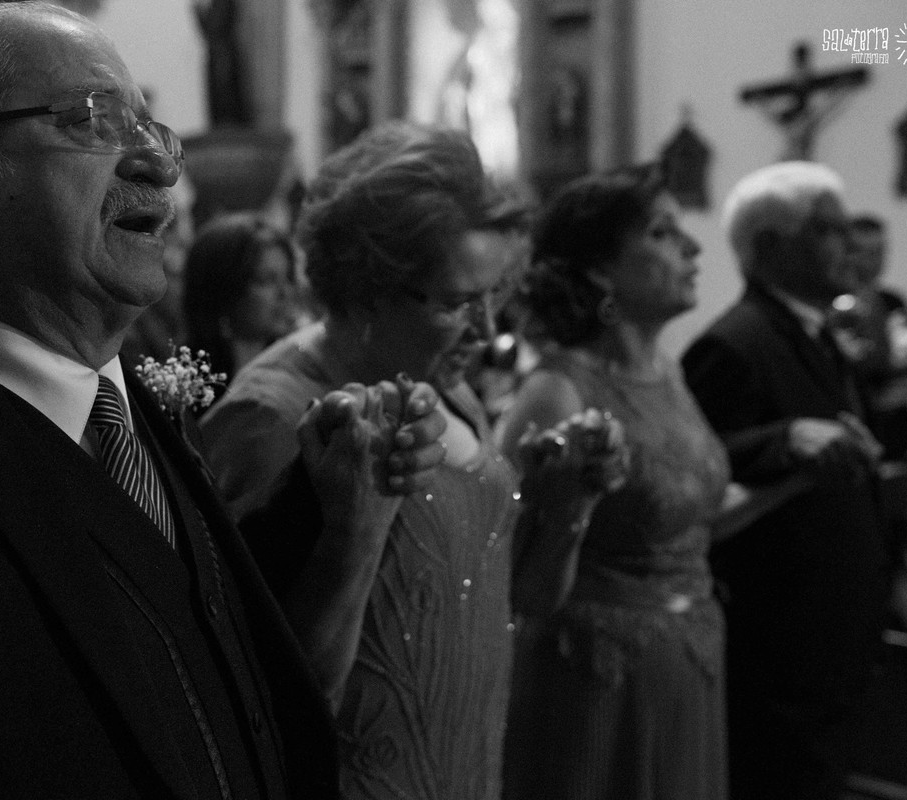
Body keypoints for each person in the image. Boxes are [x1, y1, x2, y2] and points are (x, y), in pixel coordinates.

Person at [0, 4, 450, 797]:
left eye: (152, 129)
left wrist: (341, 514)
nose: (158, 163)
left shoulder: (139, 421)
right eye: (93, 120)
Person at [200, 121, 624, 800]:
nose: (488, 332)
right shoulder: (272, 417)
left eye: (497, 296)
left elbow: (514, 597)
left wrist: (569, 504)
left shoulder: (445, 385)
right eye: (459, 302)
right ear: (367, 285)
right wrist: (354, 527)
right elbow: (246, 690)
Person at [496, 164, 730, 800]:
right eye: (660, 232)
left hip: (691, 659)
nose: (692, 248)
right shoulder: (555, 392)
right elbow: (511, 573)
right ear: (600, 269)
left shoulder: (668, 373)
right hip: (596, 681)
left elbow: (685, 516)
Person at [681, 161, 887, 800]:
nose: (849, 244)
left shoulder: (812, 333)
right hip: (778, 651)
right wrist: (780, 440)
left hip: (826, 641)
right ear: (770, 246)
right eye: (829, 228)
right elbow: (698, 467)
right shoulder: (733, 345)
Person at [181, 212, 303, 386]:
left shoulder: (300, 366)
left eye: (289, 277)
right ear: (224, 288)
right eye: (266, 280)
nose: (285, 293)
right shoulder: (184, 380)